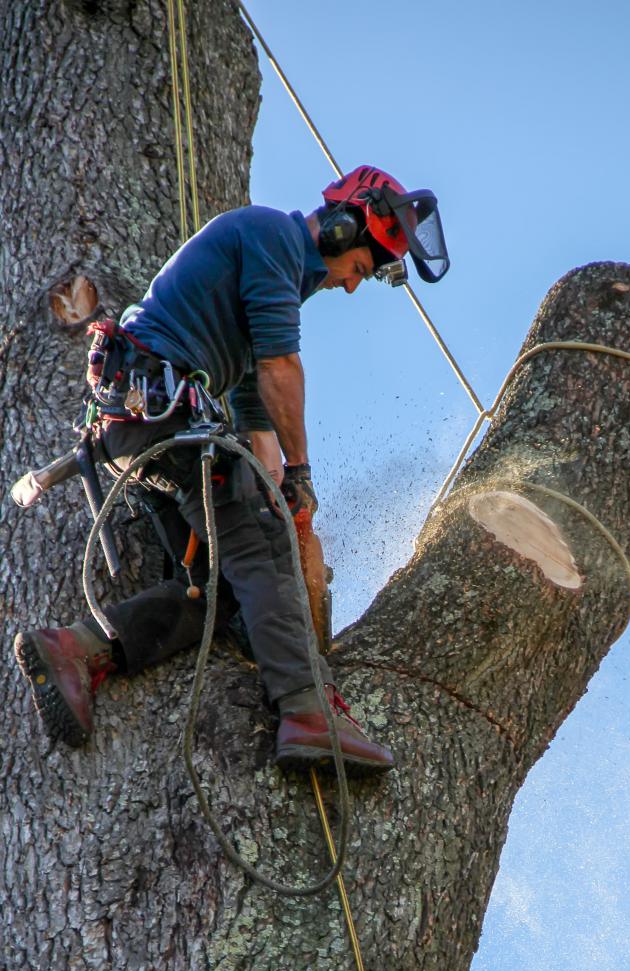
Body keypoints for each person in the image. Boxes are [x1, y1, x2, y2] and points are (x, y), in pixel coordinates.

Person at [14, 164, 450, 773]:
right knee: (260, 547)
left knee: (219, 586)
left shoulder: (274, 274)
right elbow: (279, 370)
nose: (354, 286)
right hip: (157, 409)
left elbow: (253, 409)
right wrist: (300, 473)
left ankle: (77, 649)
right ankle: (307, 711)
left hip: (144, 422)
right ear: (342, 228)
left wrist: (285, 494)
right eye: (361, 267)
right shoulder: (272, 237)